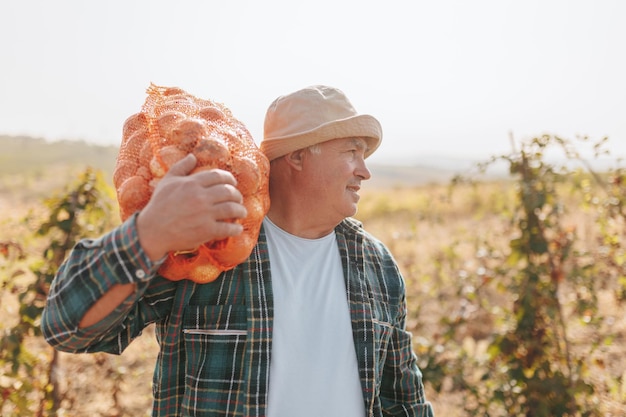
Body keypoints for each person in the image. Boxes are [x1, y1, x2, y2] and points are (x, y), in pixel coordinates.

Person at [42, 85, 435, 416]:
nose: (364, 171)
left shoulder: (376, 264)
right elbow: (67, 329)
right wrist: (149, 234)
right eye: (351, 152)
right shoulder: (208, 247)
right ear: (297, 156)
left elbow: (403, 401)